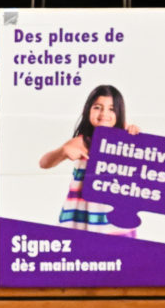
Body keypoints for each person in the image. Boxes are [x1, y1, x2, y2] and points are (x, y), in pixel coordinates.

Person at [40, 84, 142, 235]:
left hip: (117, 223)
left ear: (119, 113)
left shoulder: (125, 142)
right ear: (87, 110)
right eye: (97, 107)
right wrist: (62, 151)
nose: (104, 113)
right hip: (83, 220)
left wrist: (136, 138)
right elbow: (44, 163)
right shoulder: (82, 142)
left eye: (111, 109)